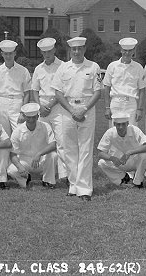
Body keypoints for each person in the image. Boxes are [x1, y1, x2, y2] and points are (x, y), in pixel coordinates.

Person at [51, 36, 102, 200]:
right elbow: (58, 92)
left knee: (86, 150)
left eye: (80, 48)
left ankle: (85, 189)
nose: (77, 51)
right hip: (67, 109)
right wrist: (72, 110)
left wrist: (84, 109)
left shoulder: (93, 67)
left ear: (85, 49)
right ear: (70, 51)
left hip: (87, 108)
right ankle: (73, 185)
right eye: (74, 49)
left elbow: (98, 92)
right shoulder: (63, 68)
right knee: (70, 149)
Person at [31, 37, 67, 182]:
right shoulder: (38, 69)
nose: (47, 54)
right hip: (42, 107)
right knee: (42, 140)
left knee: (61, 141)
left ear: (54, 50)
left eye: (49, 51)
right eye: (44, 52)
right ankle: (43, 172)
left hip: (58, 107)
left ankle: (64, 175)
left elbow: (64, 90)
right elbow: (34, 90)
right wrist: (40, 106)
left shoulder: (63, 66)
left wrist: (50, 105)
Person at [8, 103, 57, 189]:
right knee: (11, 170)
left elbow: (53, 145)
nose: (31, 120)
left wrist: (39, 154)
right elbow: (12, 154)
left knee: (53, 155)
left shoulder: (45, 126)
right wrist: (20, 167)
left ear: (37, 117)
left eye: (33, 117)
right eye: (28, 117)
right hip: (25, 161)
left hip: (42, 160)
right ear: (24, 117)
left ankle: (48, 181)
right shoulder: (17, 131)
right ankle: (26, 180)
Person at [97, 112, 146, 189]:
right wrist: (113, 158)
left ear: (127, 123)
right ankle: (123, 179)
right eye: (118, 124)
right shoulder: (110, 133)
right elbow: (100, 153)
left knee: (144, 155)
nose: (121, 127)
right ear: (114, 124)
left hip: (134, 161)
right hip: (120, 161)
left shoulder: (134, 130)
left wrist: (129, 152)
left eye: (123, 124)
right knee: (102, 163)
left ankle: (138, 183)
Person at [102, 37, 146, 127]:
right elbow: (107, 88)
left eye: (130, 50)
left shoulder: (138, 67)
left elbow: (142, 90)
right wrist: (107, 107)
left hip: (131, 104)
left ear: (134, 51)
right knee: (114, 132)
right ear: (121, 50)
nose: (127, 53)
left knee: (131, 131)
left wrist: (140, 109)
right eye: (125, 50)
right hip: (116, 103)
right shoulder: (112, 66)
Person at [0, 39, 32, 136]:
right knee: (3, 135)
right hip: (1, 104)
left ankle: (17, 152)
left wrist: (23, 112)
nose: (8, 56)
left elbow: (27, 93)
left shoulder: (23, 71)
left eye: (10, 53)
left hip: (17, 104)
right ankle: (5, 152)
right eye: (6, 54)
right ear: (2, 54)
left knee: (20, 133)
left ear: (15, 53)